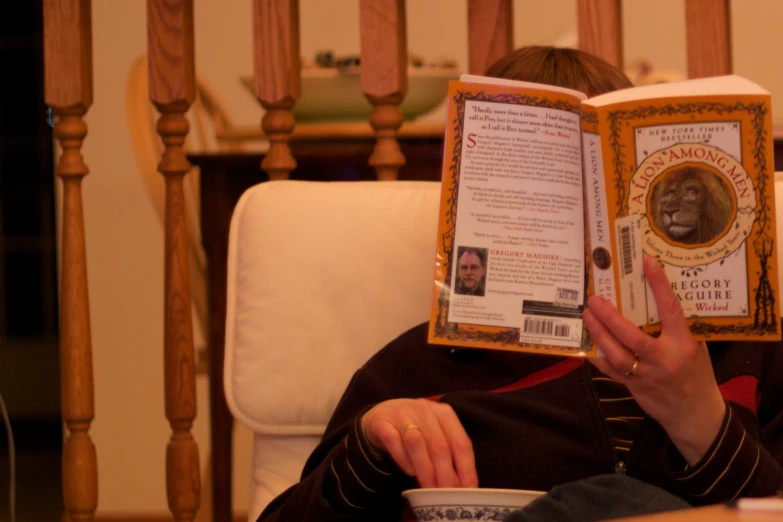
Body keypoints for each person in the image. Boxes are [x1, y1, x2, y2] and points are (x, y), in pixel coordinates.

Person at [256, 47, 783, 522]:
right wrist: (371, 440)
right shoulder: (418, 367)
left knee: (612, 503)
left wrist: (701, 422)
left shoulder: (745, 356)